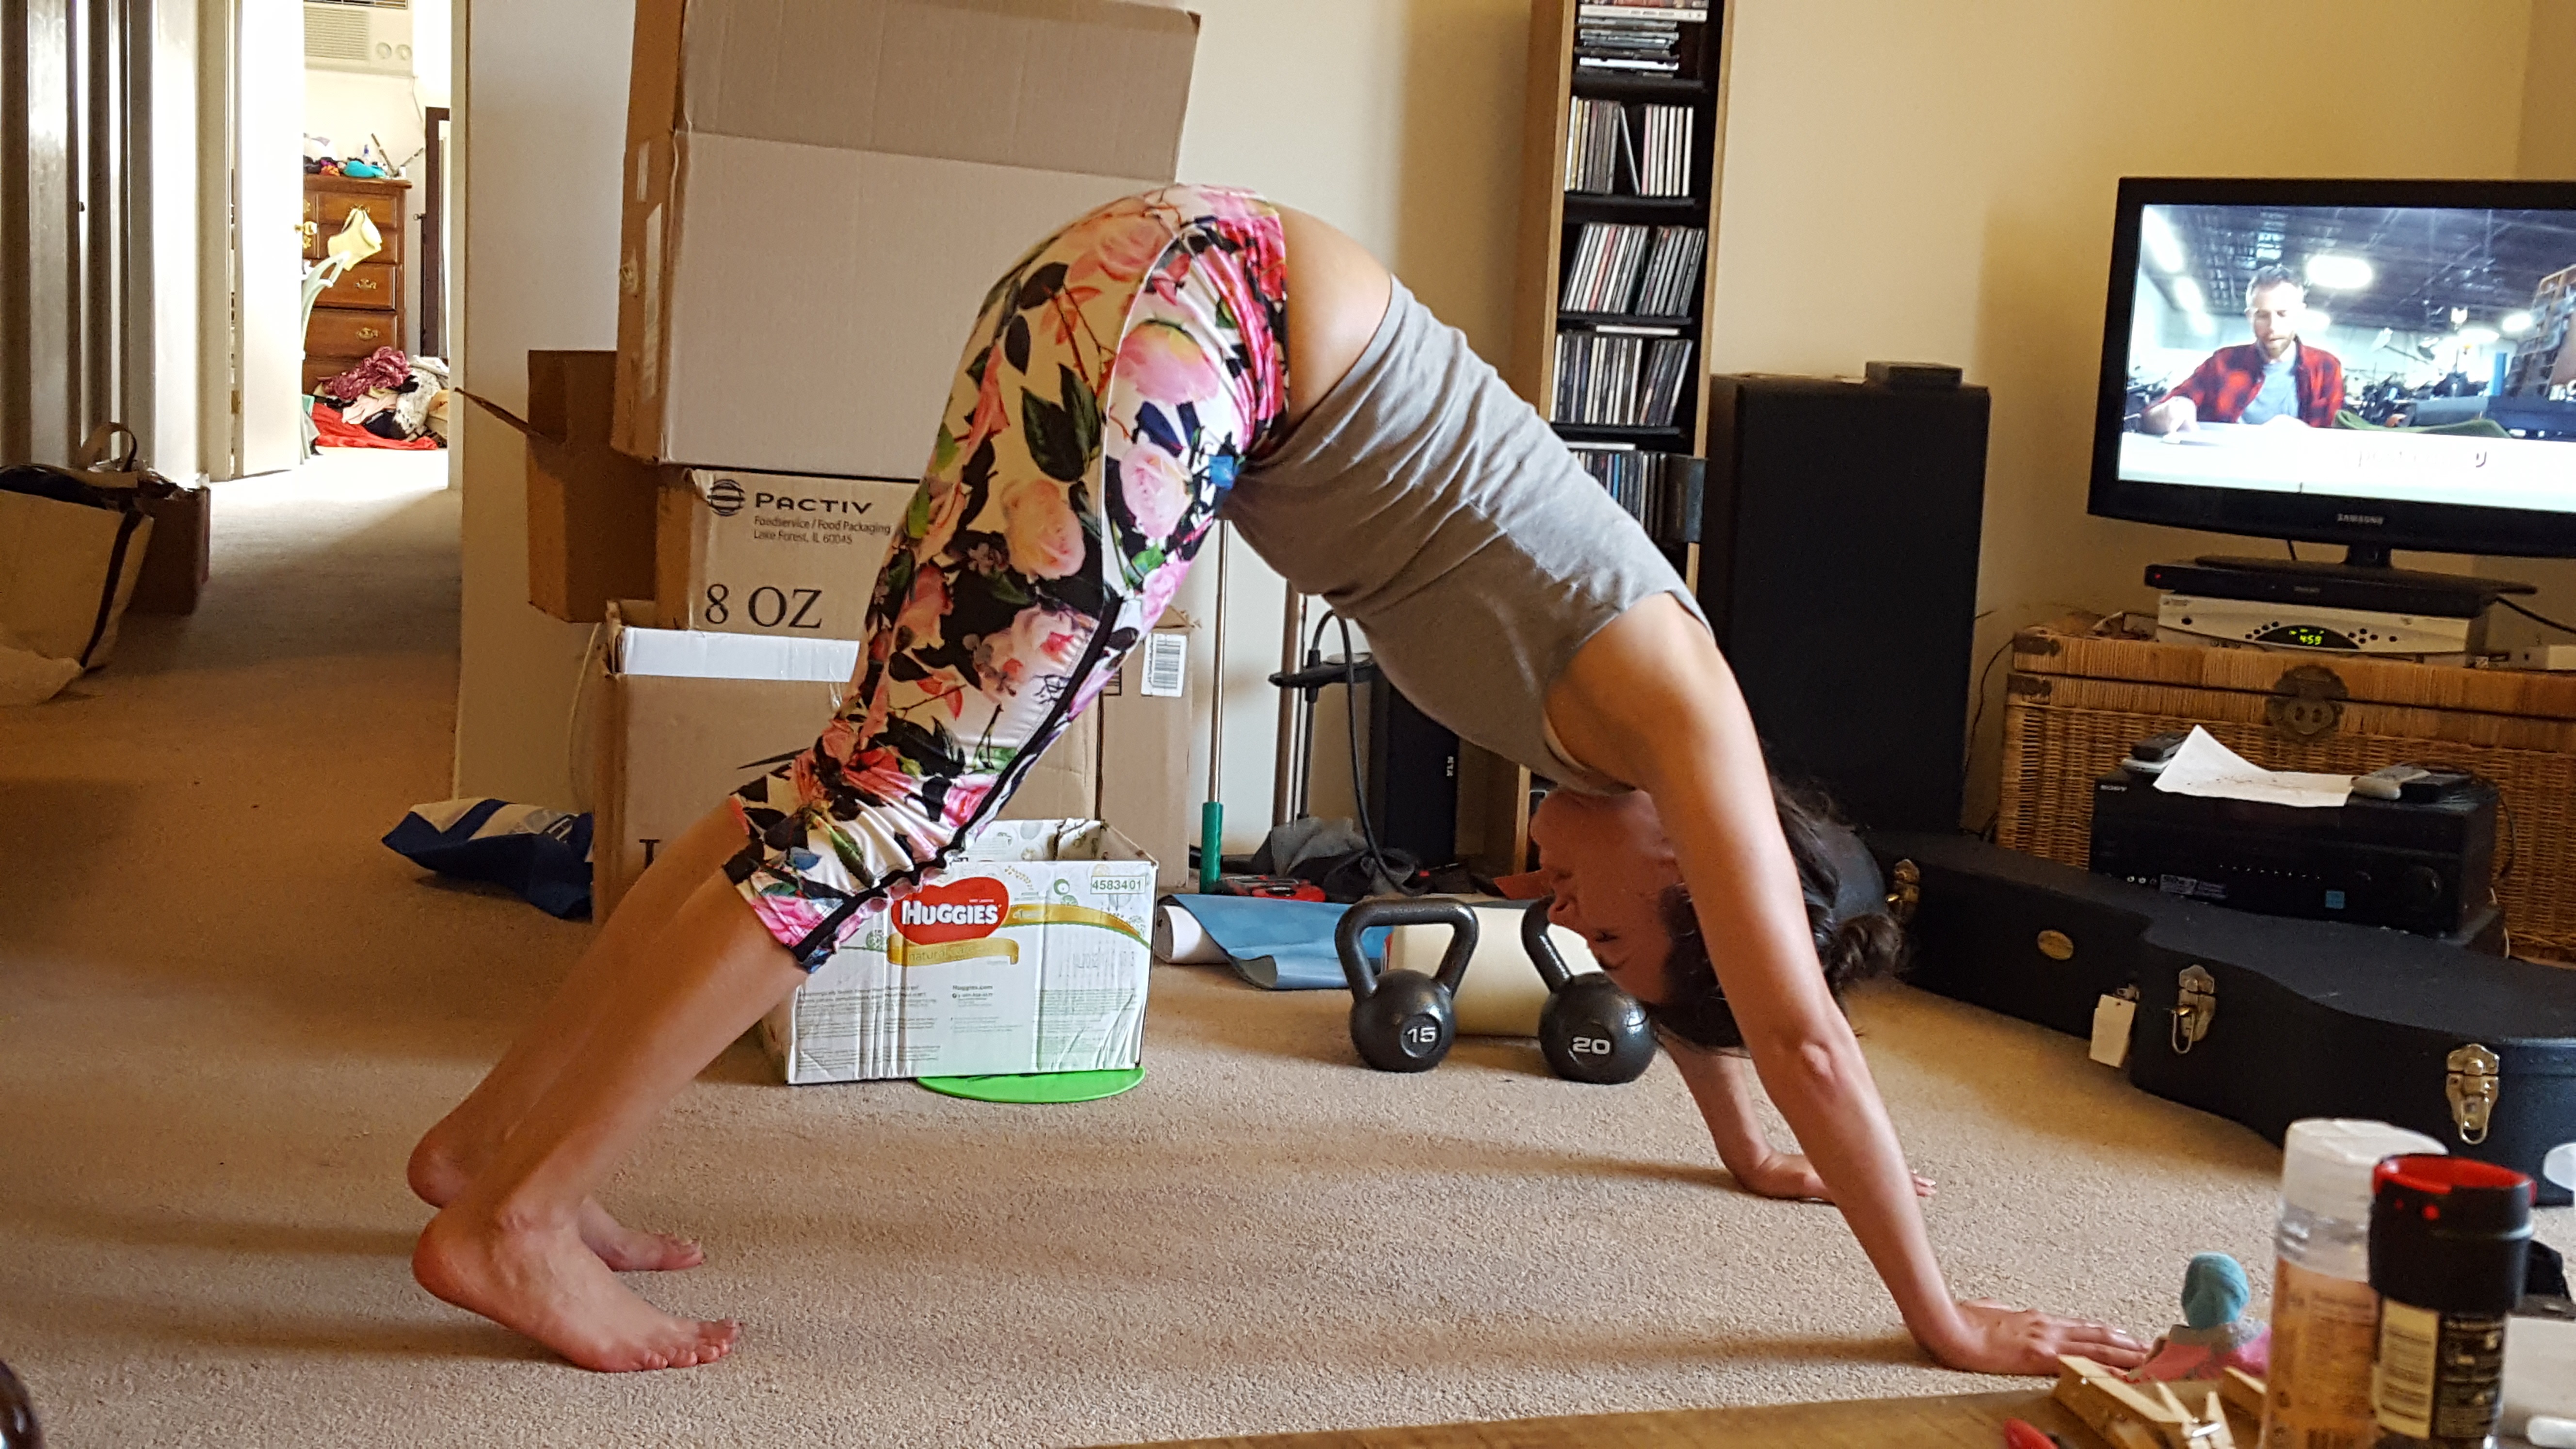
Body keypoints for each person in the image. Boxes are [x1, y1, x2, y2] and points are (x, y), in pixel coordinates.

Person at [405, 185, 2151, 1376]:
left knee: (859, 776)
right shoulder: (1683, 710)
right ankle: (521, 1209)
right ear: (1708, 867)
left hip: (1147, 290)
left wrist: (1748, 1149)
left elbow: (1721, 996)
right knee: (890, 809)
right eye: (1606, 939)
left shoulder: (1654, 771)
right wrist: (1934, 1311)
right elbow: (1792, 1022)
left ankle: (500, 1135)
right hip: (1196, 321)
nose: (1553, 919)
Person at [2140, 264, 2344, 433]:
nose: (2273, 327)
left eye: (2283, 314)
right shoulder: (2222, 363)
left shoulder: (2326, 368)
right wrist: (2169, 412)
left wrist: (2303, 434)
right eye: (2262, 315)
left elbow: (2332, 441)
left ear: (2300, 314)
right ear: (2250, 317)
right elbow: (2151, 416)